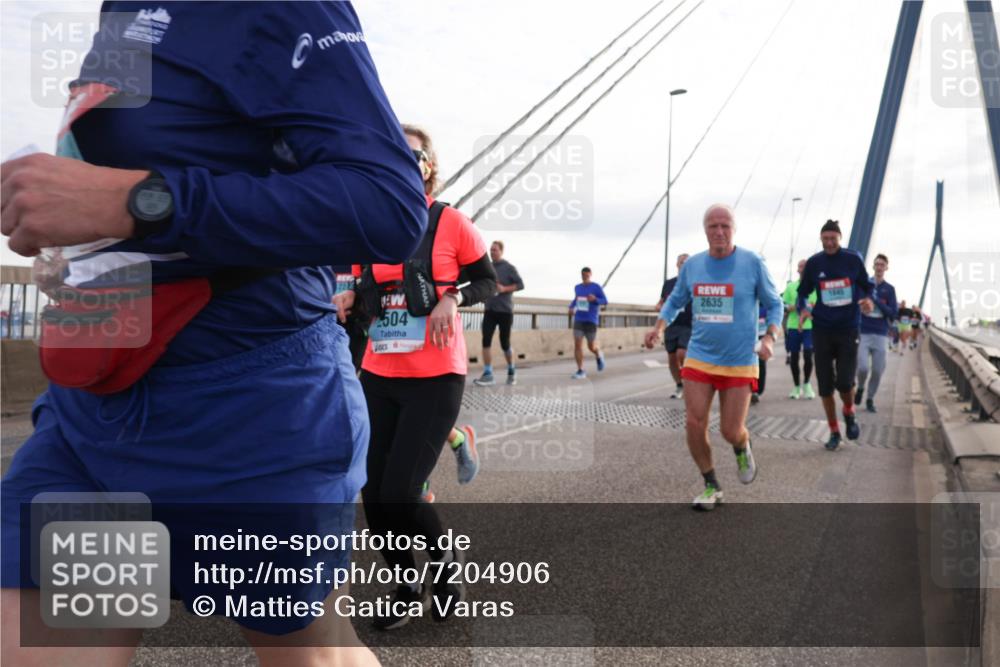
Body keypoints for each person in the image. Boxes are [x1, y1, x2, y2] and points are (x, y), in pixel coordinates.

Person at [1, 3, 425, 665]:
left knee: (310, 654)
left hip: (247, 416)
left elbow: (387, 202)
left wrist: (138, 201)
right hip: (94, 414)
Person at [334, 124, 495, 630]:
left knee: (402, 491)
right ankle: (406, 583)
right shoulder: (374, 227)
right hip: (379, 372)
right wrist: (350, 296)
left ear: (429, 165)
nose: (405, 160)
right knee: (374, 495)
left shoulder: (451, 223)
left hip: (436, 377)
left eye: (414, 153)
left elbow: (487, 280)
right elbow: (361, 278)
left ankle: (445, 566)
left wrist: (453, 297)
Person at [644, 204, 783, 510]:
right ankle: (711, 484)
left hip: (740, 359)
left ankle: (742, 445)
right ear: (705, 230)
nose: (719, 232)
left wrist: (770, 337)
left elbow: (775, 304)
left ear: (734, 229)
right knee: (694, 423)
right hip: (700, 355)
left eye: (725, 226)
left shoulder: (752, 262)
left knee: (730, 430)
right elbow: (675, 300)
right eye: (712, 226)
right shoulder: (693, 265)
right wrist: (658, 327)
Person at [797, 220, 875, 451]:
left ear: (840, 239)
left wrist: (868, 299)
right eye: (825, 239)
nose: (829, 243)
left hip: (848, 327)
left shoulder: (852, 259)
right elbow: (803, 292)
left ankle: (849, 412)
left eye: (833, 239)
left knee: (844, 382)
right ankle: (833, 431)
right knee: (825, 387)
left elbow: (867, 285)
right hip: (822, 328)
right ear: (821, 239)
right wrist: (803, 308)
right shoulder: (814, 263)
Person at [473, 240, 525, 386]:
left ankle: (511, 371)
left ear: (501, 251)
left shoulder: (509, 268)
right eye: (490, 250)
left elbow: (521, 285)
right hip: (490, 309)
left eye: (494, 250)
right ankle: (488, 373)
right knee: (486, 340)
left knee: (505, 343)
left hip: (505, 311)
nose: (492, 252)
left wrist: (504, 289)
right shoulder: (487, 267)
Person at [855, 253, 898, 413]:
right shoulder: (865, 286)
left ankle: (870, 398)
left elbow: (893, 313)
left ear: (886, 268)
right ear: (873, 267)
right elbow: (856, 304)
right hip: (864, 332)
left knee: (878, 370)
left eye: (882, 265)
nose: (879, 267)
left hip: (881, 334)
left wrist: (877, 301)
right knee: (863, 368)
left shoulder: (889, 290)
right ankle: (860, 387)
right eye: (877, 264)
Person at [655, 253, 692, 398]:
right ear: (677, 265)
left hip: (688, 324)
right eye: (682, 262)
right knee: (672, 358)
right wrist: (659, 306)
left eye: (687, 263)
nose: (684, 265)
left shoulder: (695, 283)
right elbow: (663, 300)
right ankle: (679, 385)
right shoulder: (669, 283)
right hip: (671, 325)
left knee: (682, 353)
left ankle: (690, 381)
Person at [782, 259, 817, 399]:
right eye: (800, 266)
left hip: (810, 327)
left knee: (808, 355)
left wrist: (811, 309)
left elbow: (819, 305)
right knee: (794, 357)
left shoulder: (816, 287)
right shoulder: (791, 287)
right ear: (797, 270)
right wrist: (790, 307)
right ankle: (796, 387)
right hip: (793, 326)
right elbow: (783, 305)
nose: (802, 269)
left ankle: (807, 384)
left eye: (805, 266)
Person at [569, 267, 608, 379]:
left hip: (591, 320)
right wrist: (571, 307)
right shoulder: (577, 287)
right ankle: (580, 370)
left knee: (591, 346)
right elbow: (576, 299)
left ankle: (598, 354)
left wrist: (595, 299)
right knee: (577, 344)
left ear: (590, 275)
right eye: (583, 275)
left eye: (587, 275)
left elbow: (605, 301)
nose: (585, 277)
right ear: (581, 275)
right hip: (579, 319)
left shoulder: (596, 287)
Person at [751, 304, 769, 405]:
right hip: (748, 334)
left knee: (761, 363)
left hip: (761, 335)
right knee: (749, 363)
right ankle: (751, 390)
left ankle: (757, 391)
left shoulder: (764, 301)